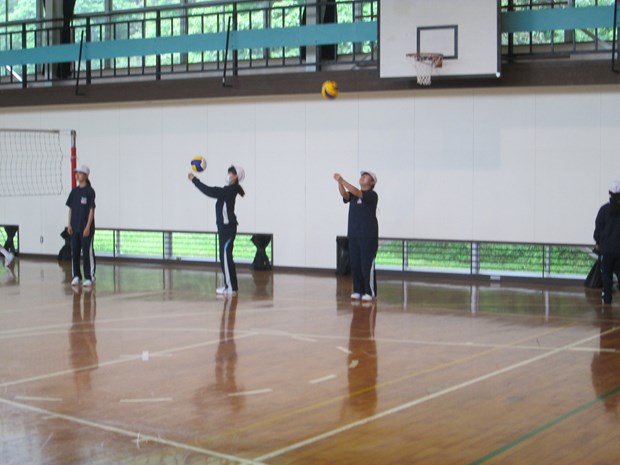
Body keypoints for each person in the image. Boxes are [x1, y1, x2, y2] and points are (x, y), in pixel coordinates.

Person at [189, 165, 245, 295]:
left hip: (227, 227)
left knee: (226, 256)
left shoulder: (230, 190)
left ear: (236, 177)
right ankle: (230, 285)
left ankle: (231, 288)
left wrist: (194, 180)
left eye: (232, 173)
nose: (229, 175)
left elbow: (210, 191)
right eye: (229, 172)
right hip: (224, 227)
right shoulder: (228, 189)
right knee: (224, 256)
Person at [334, 170, 379, 301]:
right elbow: (345, 195)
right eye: (362, 175)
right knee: (355, 264)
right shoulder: (353, 195)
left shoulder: (372, 195)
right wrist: (339, 183)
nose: (363, 177)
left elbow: (357, 192)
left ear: (372, 182)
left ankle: (369, 291)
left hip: (368, 235)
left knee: (366, 264)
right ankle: (358, 290)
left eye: (366, 176)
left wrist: (342, 180)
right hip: (353, 234)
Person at [66, 165, 96, 287]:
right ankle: (76, 276)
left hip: (85, 228)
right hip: (74, 228)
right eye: (76, 173)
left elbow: (91, 210)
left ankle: (89, 277)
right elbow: (70, 209)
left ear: (86, 175)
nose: (77, 175)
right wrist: (69, 224)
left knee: (87, 252)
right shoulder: (74, 192)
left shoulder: (90, 191)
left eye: (80, 173)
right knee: (75, 252)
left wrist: (88, 226)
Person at [593, 180, 620, 304]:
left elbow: (598, 228)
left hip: (607, 249)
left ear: (609, 193)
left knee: (607, 274)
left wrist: (598, 242)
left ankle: (607, 298)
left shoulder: (604, 209)